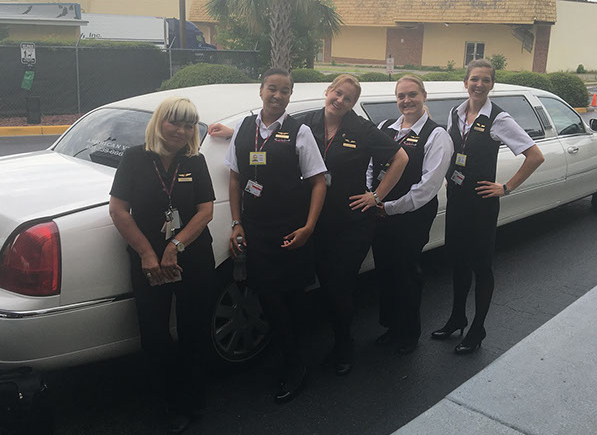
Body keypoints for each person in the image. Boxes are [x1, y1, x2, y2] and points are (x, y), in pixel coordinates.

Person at [209, 75, 408, 376]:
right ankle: (306, 347)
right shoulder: (308, 122)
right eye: (337, 93)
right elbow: (270, 127)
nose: (340, 101)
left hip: (349, 222)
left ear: (353, 104)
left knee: (337, 286)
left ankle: (344, 346)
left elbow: (400, 158)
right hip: (311, 219)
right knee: (306, 284)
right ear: (327, 91)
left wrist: (376, 196)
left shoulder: (362, 128)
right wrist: (232, 132)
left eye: (348, 99)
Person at [109, 96, 215, 435]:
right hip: (149, 258)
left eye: (188, 125)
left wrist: (175, 246)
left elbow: (205, 211)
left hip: (192, 256)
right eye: (175, 123)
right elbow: (118, 210)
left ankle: (192, 399)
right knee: (154, 334)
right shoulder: (135, 158)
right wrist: (147, 253)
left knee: (194, 330)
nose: (181, 131)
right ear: (159, 122)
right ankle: (170, 399)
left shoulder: (195, 161)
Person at [224, 68, 327, 404]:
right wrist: (236, 222)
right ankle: (291, 356)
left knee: (293, 297)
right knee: (268, 295)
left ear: (290, 96)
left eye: (285, 91)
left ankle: (296, 364)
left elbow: (318, 182)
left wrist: (309, 228)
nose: (278, 95)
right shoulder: (244, 127)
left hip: (291, 229)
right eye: (272, 88)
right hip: (256, 229)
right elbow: (236, 178)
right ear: (261, 90)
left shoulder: (300, 132)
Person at [431, 59, 545, 353]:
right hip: (458, 200)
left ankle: (477, 329)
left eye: (485, 80)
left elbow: (535, 156)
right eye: (474, 79)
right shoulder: (455, 114)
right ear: (465, 82)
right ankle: (457, 318)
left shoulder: (498, 118)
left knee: (481, 266)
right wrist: (448, 178)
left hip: (482, 204)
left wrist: (506, 187)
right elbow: (451, 152)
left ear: (492, 84)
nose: (479, 85)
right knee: (458, 262)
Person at [369, 75, 454, 355]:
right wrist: (373, 196)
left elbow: (428, 186)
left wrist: (389, 207)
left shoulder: (437, 135)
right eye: (401, 96)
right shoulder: (385, 128)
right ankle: (391, 327)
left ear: (424, 96)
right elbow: (370, 165)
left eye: (412, 95)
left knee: (406, 272)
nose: (407, 101)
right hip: (380, 210)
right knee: (385, 270)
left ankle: (408, 332)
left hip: (412, 216)